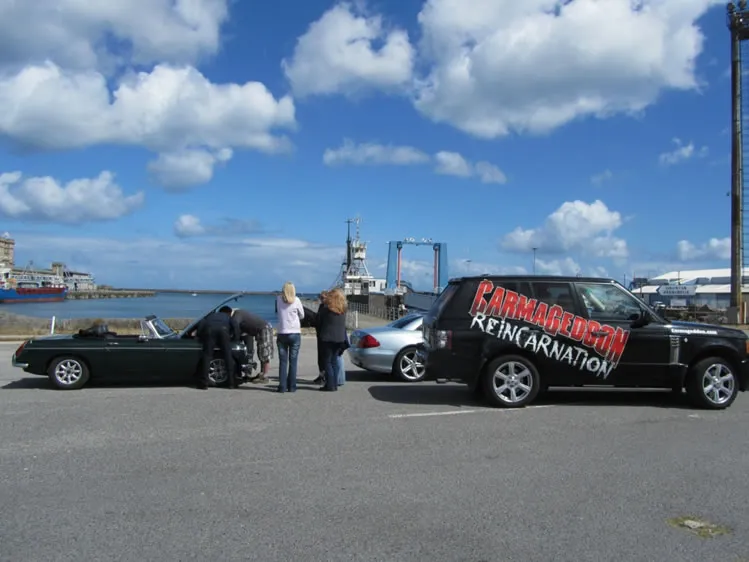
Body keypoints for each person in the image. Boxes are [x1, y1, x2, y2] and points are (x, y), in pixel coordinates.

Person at [195, 305, 240, 390]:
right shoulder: (228, 317)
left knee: (207, 356)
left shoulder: (210, 315)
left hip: (209, 331)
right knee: (228, 356)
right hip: (224, 331)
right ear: (229, 313)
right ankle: (231, 383)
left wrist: (200, 336)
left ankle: (204, 383)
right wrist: (235, 339)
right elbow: (235, 326)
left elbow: (201, 324)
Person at [316, 288, 348, 392]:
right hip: (339, 338)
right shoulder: (343, 310)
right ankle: (334, 383)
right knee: (334, 361)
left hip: (328, 338)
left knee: (327, 362)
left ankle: (330, 385)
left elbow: (319, 321)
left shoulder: (326, 309)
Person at [275, 281, 304, 393]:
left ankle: (282, 386)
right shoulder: (296, 300)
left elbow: (277, 311)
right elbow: (302, 315)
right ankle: (292, 386)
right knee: (293, 361)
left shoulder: (278, 299)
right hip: (294, 332)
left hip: (282, 332)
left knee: (283, 361)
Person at [231, 307, 274, 384]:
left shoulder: (237, 314)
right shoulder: (240, 313)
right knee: (260, 352)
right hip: (260, 331)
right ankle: (262, 374)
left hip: (264, 329)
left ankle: (265, 376)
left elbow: (235, 325)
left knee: (264, 352)